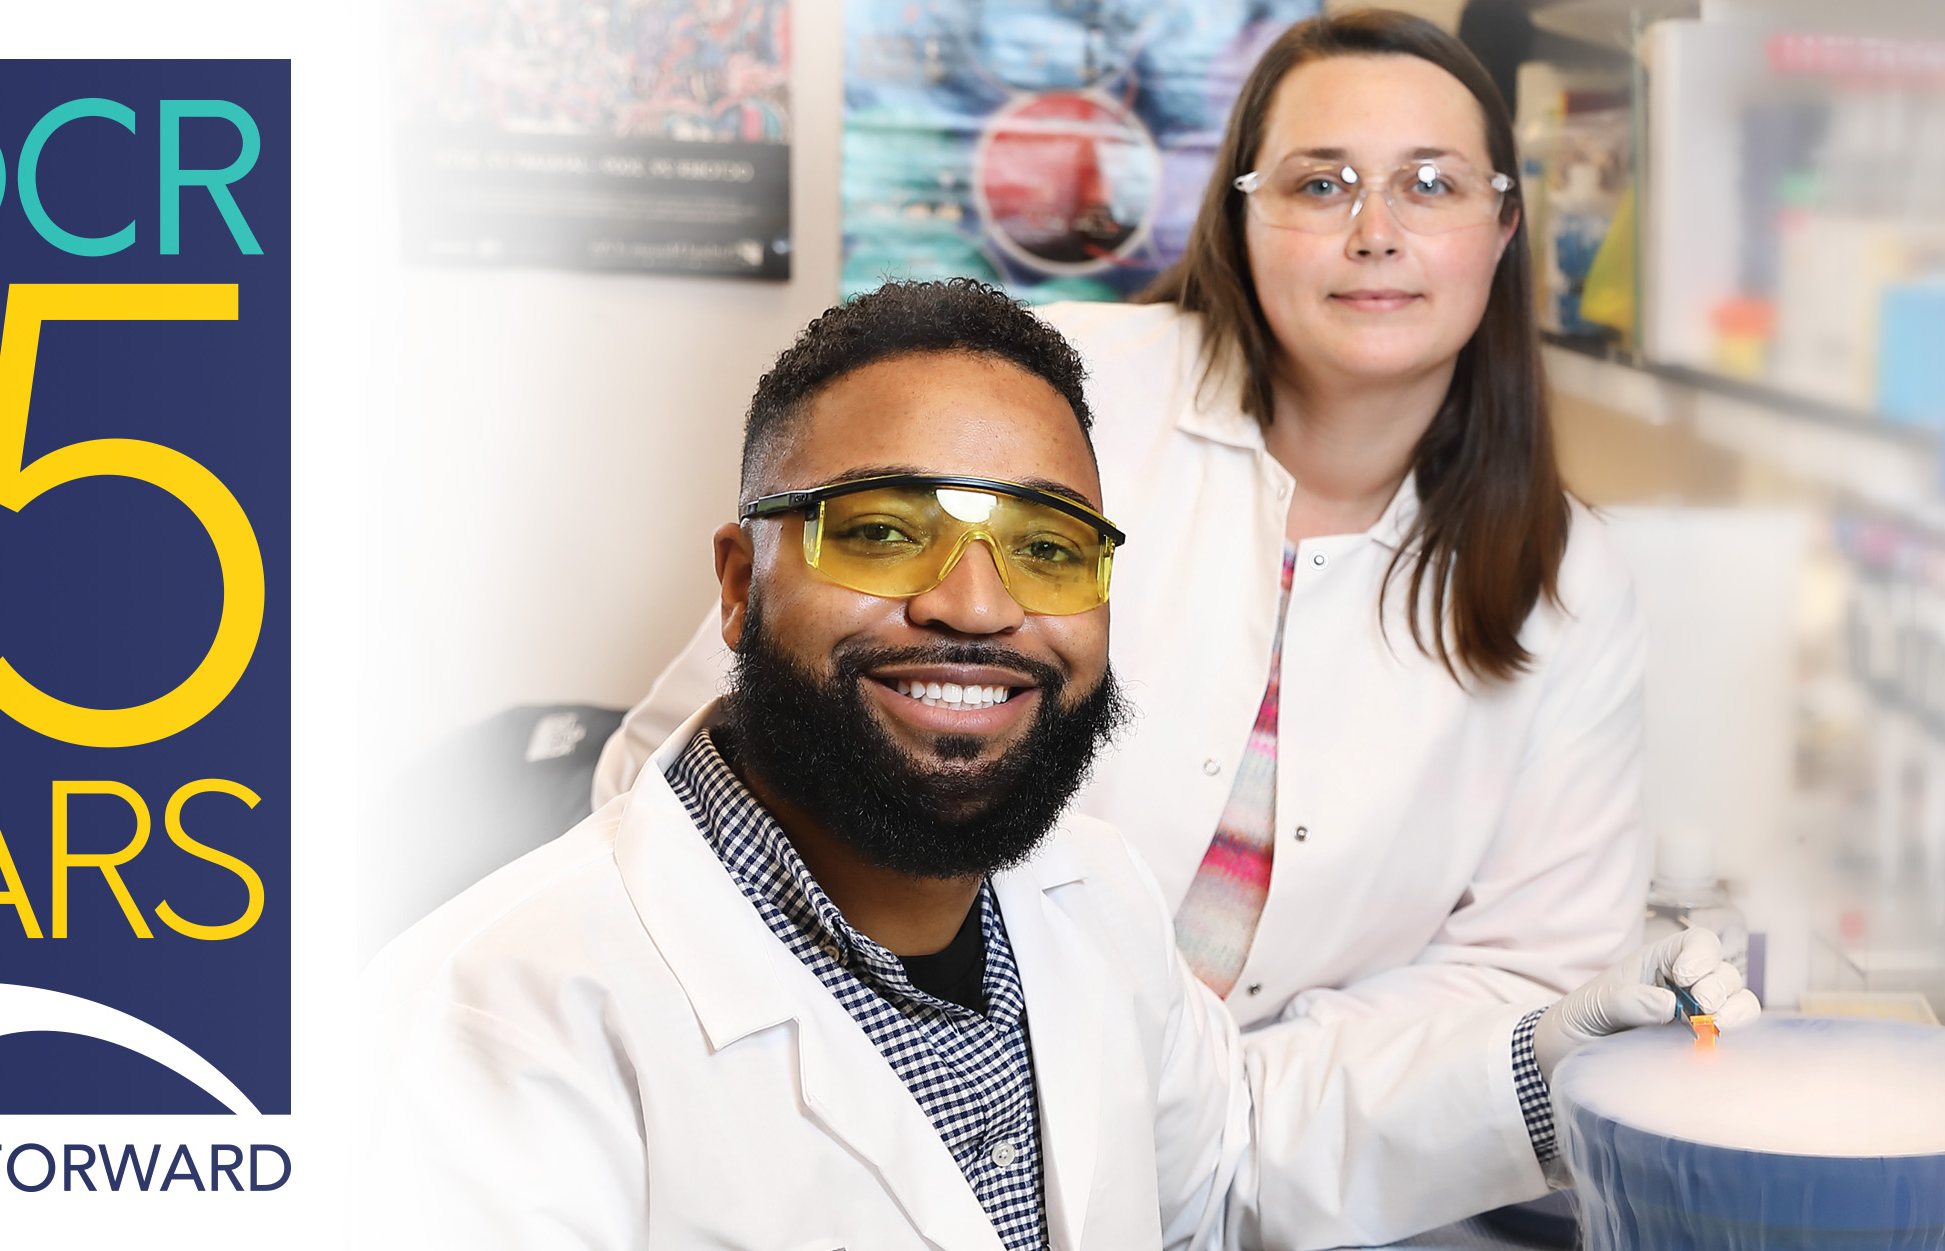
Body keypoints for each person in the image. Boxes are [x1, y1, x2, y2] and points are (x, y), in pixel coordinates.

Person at [373, 279, 1751, 1249]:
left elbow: (1223, 1171)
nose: (974, 604)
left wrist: (1546, 1066)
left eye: (1044, 548)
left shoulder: (1081, 892)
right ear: (740, 582)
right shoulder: (486, 1028)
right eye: (880, 530)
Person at [591, 10, 1652, 1102]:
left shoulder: (1569, 583)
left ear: (1505, 225)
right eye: (1319, 184)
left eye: (1431, 185)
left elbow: (1524, 977)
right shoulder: (1048, 407)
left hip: (1299, 1162)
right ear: (1240, 218)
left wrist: (1221, 1116)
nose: (1375, 231)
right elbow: (689, 769)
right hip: (883, 1095)